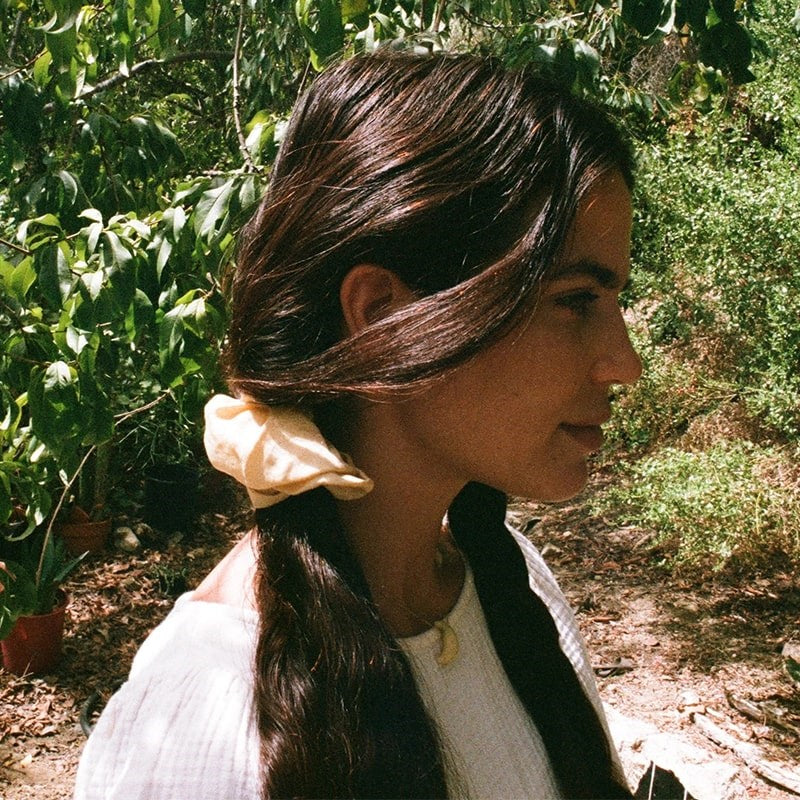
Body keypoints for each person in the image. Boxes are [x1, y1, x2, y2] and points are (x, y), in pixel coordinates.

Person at [75, 50, 642, 800]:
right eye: (576, 300)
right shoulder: (211, 711)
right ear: (384, 315)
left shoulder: (512, 586)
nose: (624, 362)